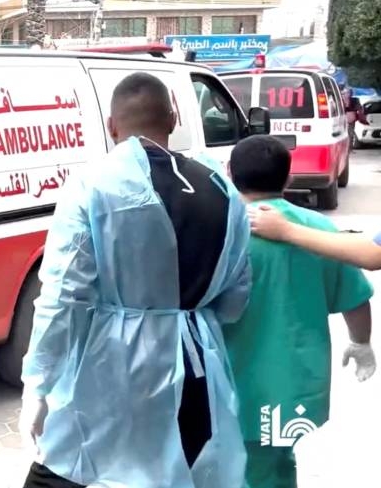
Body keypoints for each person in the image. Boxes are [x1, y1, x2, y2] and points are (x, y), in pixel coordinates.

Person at [19, 72, 251, 488]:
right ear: (174, 118)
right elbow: (235, 299)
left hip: (111, 368)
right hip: (198, 365)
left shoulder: (94, 183)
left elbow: (63, 296)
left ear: (112, 126)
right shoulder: (221, 187)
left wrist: (38, 384)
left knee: (65, 470)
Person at [222, 135, 375, 488]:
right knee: (274, 459)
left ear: (230, 172)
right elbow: (355, 298)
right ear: (289, 178)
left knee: (247, 466)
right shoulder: (319, 229)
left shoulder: (219, 229)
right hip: (292, 382)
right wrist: (361, 342)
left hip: (230, 379)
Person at [249, 205, 381, 271]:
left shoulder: (235, 223)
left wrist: (285, 230)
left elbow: (373, 255)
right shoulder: (321, 223)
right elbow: (354, 299)